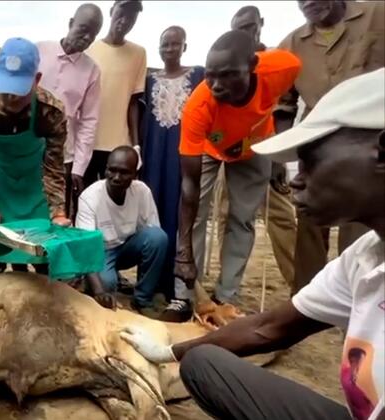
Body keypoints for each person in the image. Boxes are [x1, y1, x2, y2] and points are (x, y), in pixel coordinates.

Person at [121, 68, 385, 420]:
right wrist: (168, 351)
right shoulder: (364, 257)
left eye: (310, 161)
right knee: (202, 363)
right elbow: (269, 328)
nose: (296, 181)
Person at [174, 31, 301, 305]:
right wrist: (183, 253)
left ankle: (226, 296)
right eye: (211, 75)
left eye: (229, 74)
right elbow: (189, 186)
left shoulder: (283, 67)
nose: (217, 85)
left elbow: (288, 103)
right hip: (210, 146)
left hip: (255, 145)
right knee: (196, 216)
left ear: (253, 65)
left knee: (241, 219)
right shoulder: (198, 107)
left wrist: (278, 152)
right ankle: (186, 294)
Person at [276, 0, 384, 294]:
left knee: (362, 226)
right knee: (309, 218)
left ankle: (363, 298)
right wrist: (280, 157)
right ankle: (307, 298)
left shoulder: (378, 14)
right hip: (317, 144)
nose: (308, 3)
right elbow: (282, 106)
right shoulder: (292, 43)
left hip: (369, 147)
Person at [210, 4, 299, 291]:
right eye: (240, 29)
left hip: (268, 151)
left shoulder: (275, 62)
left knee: (283, 218)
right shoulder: (228, 68)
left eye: (250, 26)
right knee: (229, 215)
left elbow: (284, 111)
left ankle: (300, 284)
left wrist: (278, 157)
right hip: (231, 151)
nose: (247, 33)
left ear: (261, 23)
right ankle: (227, 285)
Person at [0, 37, 69, 274]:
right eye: (6, 88)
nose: (11, 98)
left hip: (35, 184)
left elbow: (53, 168)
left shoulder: (51, 111)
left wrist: (58, 213)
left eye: (19, 90)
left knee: (41, 252)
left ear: (37, 80)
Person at [139, 25, 204, 314]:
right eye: (165, 44)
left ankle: (176, 285)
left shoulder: (198, 75)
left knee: (179, 209)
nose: (169, 49)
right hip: (154, 149)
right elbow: (141, 116)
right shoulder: (150, 80)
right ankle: (151, 280)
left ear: (184, 47)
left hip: (184, 150)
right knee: (152, 208)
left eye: (175, 44)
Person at [76, 146, 169, 315]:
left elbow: (153, 233)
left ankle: (143, 299)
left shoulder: (142, 192)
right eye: (112, 170)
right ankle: (100, 281)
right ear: (105, 169)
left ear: (135, 174)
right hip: (99, 253)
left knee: (158, 238)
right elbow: (85, 250)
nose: (116, 177)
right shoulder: (90, 198)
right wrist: (99, 291)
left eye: (124, 172)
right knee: (106, 286)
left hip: (126, 247)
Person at [37, 3, 102, 221]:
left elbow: (89, 121)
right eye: (83, 29)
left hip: (62, 157)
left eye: (93, 35)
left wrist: (79, 168)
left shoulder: (91, 70)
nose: (86, 38)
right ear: (71, 23)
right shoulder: (39, 51)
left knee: (56, 218)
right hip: (27, 149)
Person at [84, 0, 146, 186]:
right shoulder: (89, 49)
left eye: (131, 17)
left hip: (118, 145)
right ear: (112, 11)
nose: (125, 21)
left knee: (114, 203)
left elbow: (133, 102)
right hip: (88, 142)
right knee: (84, 200)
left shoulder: (139, 53)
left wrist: (135, 146)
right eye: (121, 13)